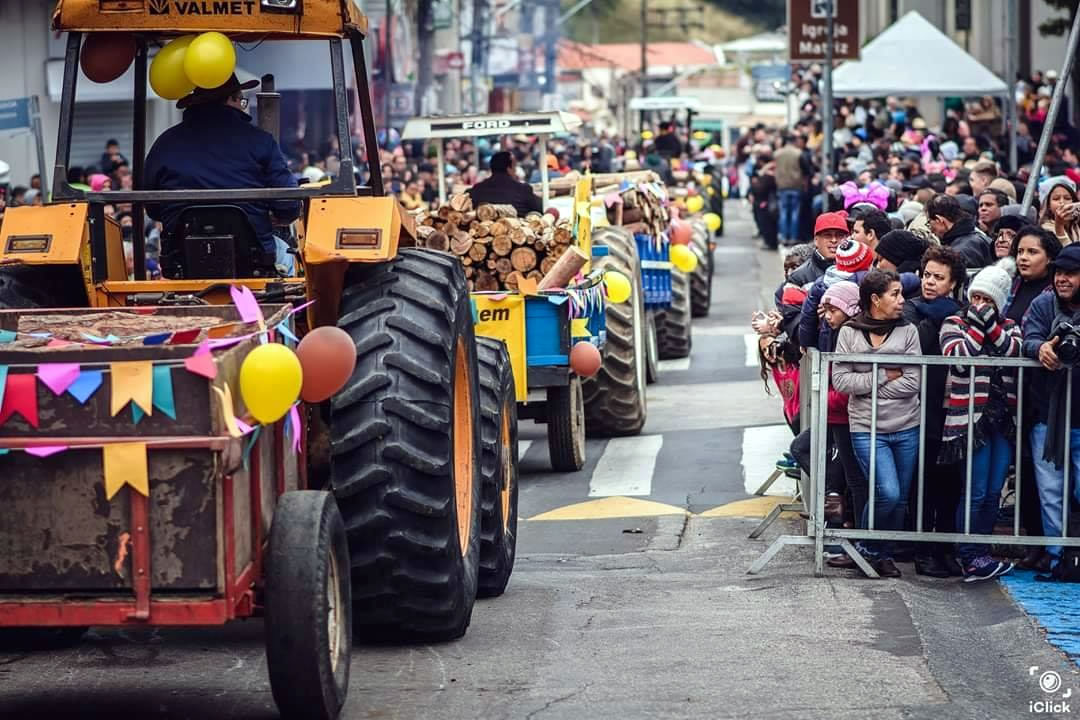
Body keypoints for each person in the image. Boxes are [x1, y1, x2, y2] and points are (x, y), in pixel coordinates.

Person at [144, 73, 300, 275]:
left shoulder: (164, 144)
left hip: (181, 260)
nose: (242, 105)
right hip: (253, 261)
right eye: (242, 100)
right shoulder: (260, 141)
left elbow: (154, 209)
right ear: (232, 99)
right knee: (289, 256)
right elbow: (289, 207)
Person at [832, 269, 922, 578]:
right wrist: (885, 374)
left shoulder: (908, 331)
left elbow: (913, 381)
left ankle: (879, 555)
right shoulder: (849, 333)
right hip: (866, 428)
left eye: (901, 294)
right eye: (894, 294)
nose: (901, 300)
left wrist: (868, 385)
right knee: (888, 492)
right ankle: (867, 549)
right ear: (875, 299)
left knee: (899, 501)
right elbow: (841, 380)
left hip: (907, 425)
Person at [939, 259, 1023, 581]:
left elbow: (1012, 351)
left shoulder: (1011, 326)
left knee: (992, 491)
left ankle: (982, 551)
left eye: (988, 301)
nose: (980, 305)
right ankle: (969, 554)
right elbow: (960, 359)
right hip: (969, 419)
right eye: (976, 298)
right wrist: (977, 324)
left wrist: (991, 324)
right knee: (974, 490)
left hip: (1003, 419)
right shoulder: (953, 322)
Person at [903, 245, 967, 578]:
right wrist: (940, 313)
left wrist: (947, 312)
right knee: (925, 482)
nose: (929, 282)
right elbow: (919, 342)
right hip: (921, 407)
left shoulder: (963, 311)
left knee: (951, 483)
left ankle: (946, 548)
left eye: (938, 278)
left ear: (953, 282)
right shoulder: (912, 309)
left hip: (953, 409)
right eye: (926, 275)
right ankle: (924, 550)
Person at [1005, 225, 1062, 572]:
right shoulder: (1011, 288)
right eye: (1020, 252)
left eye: (1032, 252)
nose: (1024, 258)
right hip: (1016, 395)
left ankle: (1055, 546)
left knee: (1053, 478)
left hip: (1049, 398)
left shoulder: (1054, 294)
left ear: (1051, 259)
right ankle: (1033, 541)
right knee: (1026, 472)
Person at [1022, 244, 1080, 578]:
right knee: (1050, 493)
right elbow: (1027, 337)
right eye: (1059, 272)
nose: (1062, 279)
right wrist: (1041, 347)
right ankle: (1059, 559)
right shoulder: (1044, 303)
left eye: (1070, 273)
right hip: (1047, 413)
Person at [926, 192, 994, 269]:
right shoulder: (980, 236)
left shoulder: (957, 253)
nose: (931, 230)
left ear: (939, 220)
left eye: (929, 222)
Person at [469, 151, 542, 217]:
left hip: (480, 229)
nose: (516, 170)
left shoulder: (476, 190)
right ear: (509, 169)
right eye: (514, 167)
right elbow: (541, 207)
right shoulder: (523, 190)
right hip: (516, 230)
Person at [774, 134, 806, 246]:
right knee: (794, 213)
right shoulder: (798, 153)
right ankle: (793, 237)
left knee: (783, 212)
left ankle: (783, 237)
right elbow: (805, 169)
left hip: (782, 186)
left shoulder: (777, 154)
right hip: (796, 186)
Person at [1039, 175, 1080, 246]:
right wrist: (1059, 226)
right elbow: (1068, 253)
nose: (1062, 202)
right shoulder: (1046, 230)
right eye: (1056, 198)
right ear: (1048, 206)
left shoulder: (1075, 226)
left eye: (1067, 198)